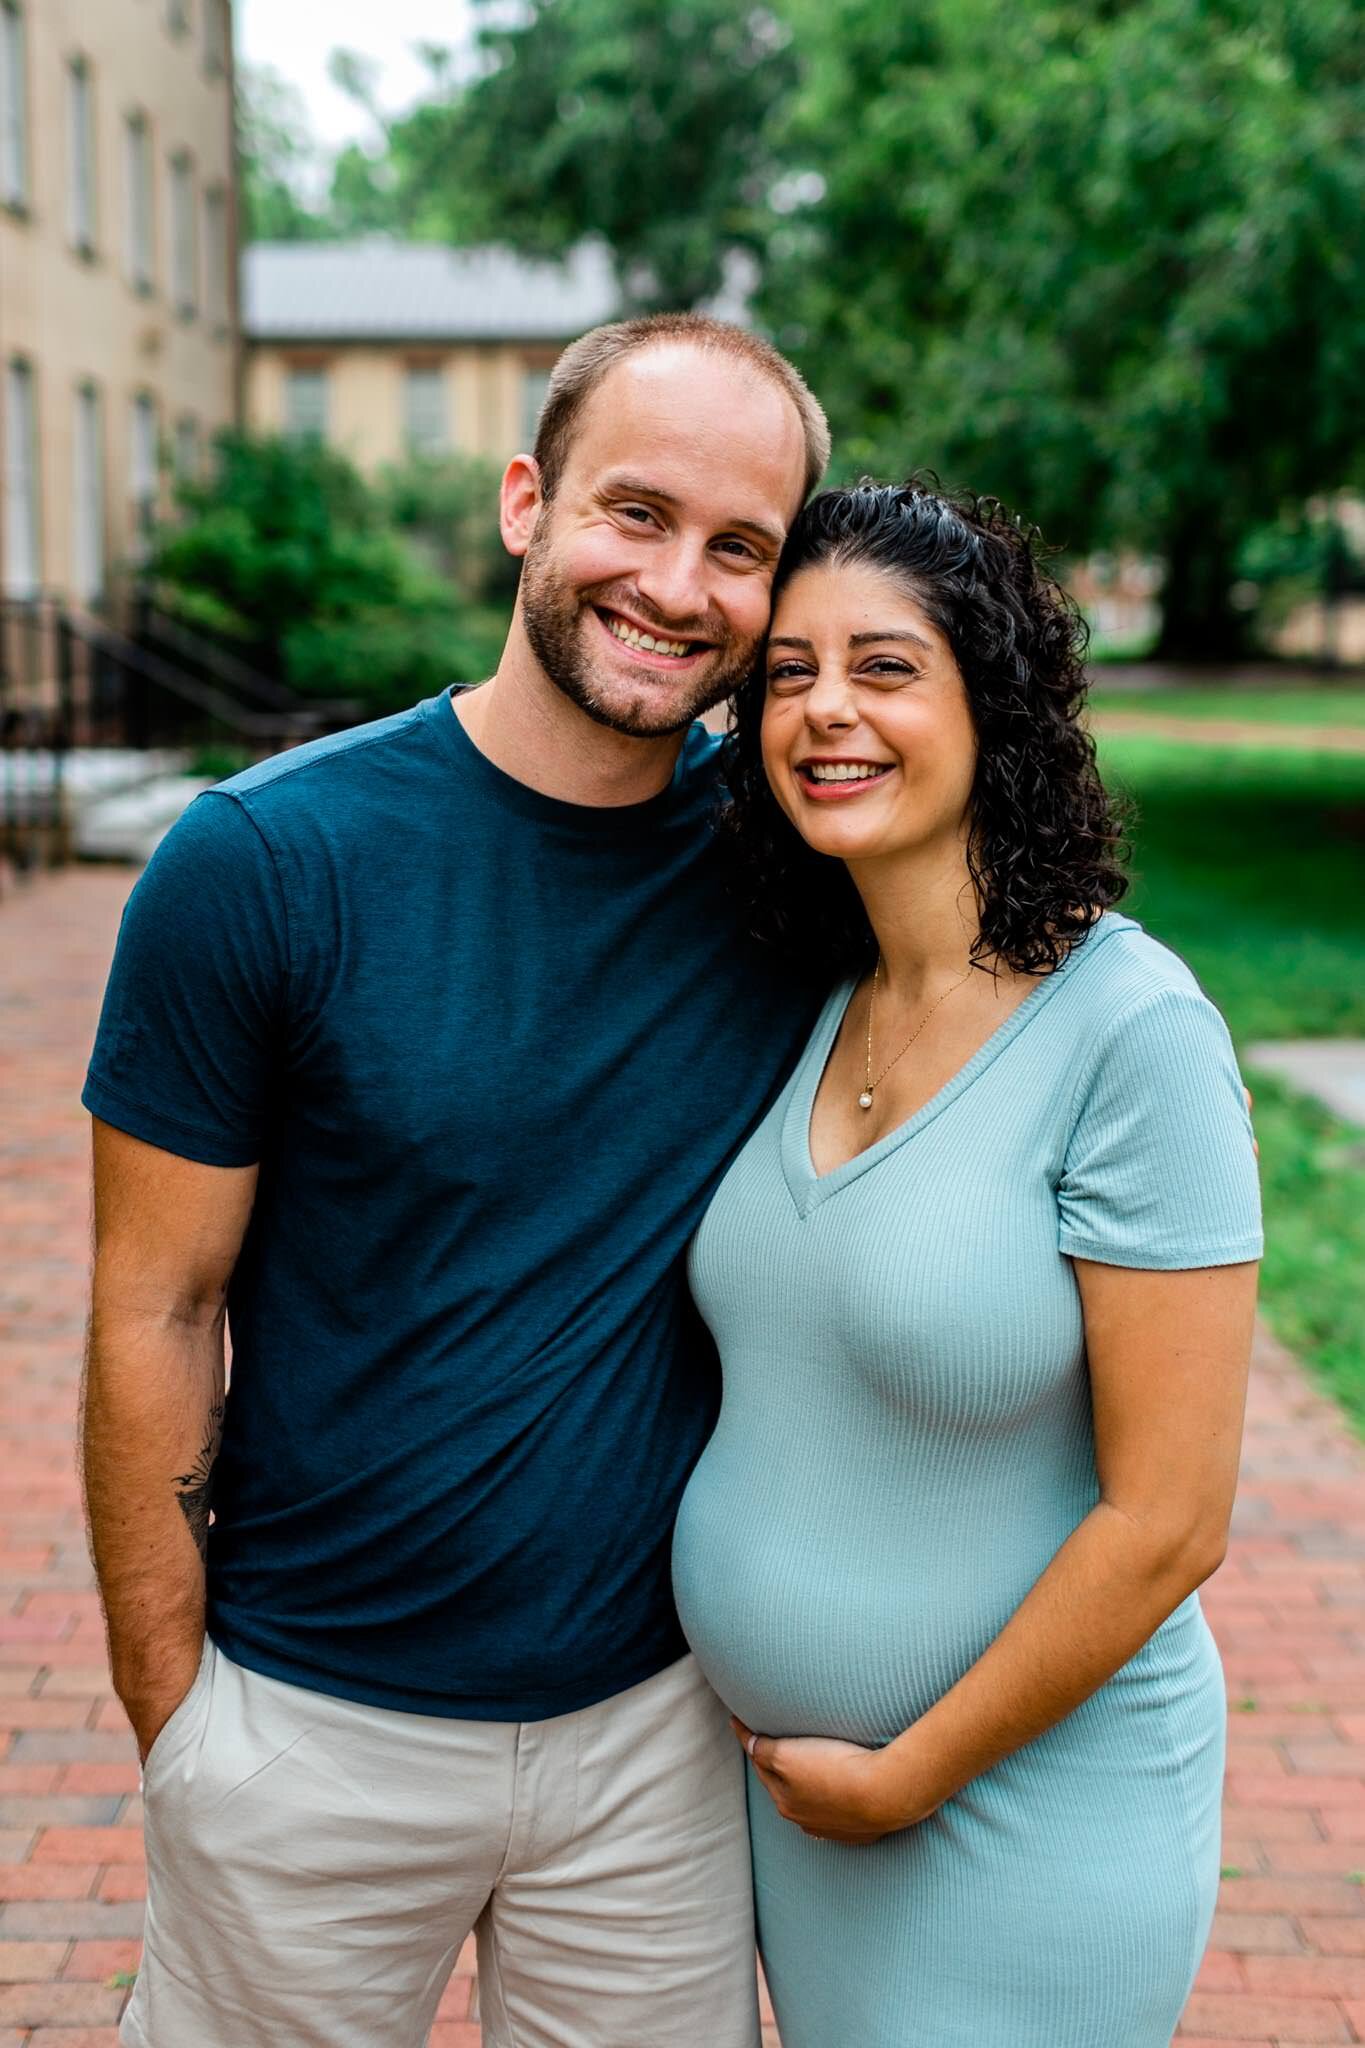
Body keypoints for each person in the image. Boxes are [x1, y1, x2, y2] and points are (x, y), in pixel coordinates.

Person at [79, 313, 831, 2048]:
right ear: (524, 506)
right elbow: (156, 1303)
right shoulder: (262, 863)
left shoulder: (790, 875)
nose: (675, 584)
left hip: (655, 1735)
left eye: (740, 547)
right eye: (633, 514)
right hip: (307, 1731)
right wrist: (178, 1724)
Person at [672, 480, 1263, 2047]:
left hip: (1023, 1811)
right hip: (802, 1818)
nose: (823, 711)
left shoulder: (1130, 1035)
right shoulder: (815, 997)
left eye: (883, 667)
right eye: (787, 672)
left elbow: (1169, 1520)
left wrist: (904, 1775)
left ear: (987, 707)